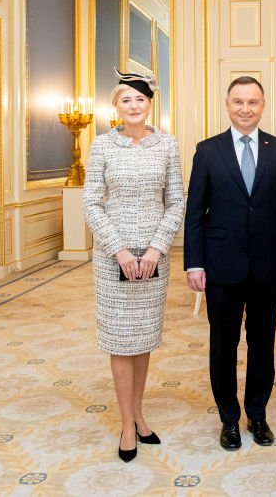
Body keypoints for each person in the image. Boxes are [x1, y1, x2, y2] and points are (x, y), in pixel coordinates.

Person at [184, 76, 276, 451]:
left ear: (263, 106)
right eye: (238, 101)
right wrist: (194, 263)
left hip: (268, 266)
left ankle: (257, 413)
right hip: (221, 265)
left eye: (253, 102)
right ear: (227, 104)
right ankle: (229, 419)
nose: (245, 108)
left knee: (262, 342)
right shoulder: (207, 151)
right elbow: (195, 213)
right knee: (223, 344)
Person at [82, 70, 185, 463]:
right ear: (117, 106)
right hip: (115, 258)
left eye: (140, 99)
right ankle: (127, 424)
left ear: (150, 103)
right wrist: (120, 251)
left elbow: (176, 201)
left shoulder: (168, 145)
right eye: (126, 100)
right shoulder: (103, 146)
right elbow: (91, 202)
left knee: (142, 340)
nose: (134, 106)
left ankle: (140, 414)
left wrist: (156, 249)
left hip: (154, 259)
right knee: (120, 341)